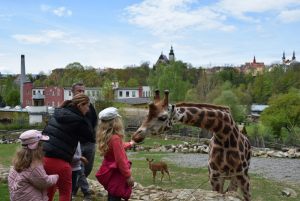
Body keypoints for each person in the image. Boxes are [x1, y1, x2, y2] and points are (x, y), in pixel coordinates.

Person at [42, 93, 93, 201]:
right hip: (61, 161)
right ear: (80, 105)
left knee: (48, 193)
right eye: (87, 106)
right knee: (65, 193)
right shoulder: (78, 120)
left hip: (44, 158)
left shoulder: (58, 113)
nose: (88, 109)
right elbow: (90, 136)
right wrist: (86, 117)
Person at [95, 107, 135, 201]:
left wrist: (130, 143)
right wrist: (128, 176)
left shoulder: (108, 137)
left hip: (110, 172)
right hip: (117, 173)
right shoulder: (115, 138)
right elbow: (120, 160)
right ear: (115, 122)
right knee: (115, 196)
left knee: (112, 194)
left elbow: (117, 147)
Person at [8, 130, 59, 201]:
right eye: (41, 145)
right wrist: (55, 177)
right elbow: (44, 182)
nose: (43, 148)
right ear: (37, 147)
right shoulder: (34, 165)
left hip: (18, 197)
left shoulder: (18, 160)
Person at [71, 82, 98, 201]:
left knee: (87, 169)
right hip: (77, 143)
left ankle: (74, 189)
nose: (81, 93)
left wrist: (92, 135)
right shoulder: (70, 107)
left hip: (90, 143)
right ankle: (87, 193)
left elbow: (94, 121)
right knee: (79, 168)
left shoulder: (90, 106)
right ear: (73, 92)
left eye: (83, 91)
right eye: (79, 91)